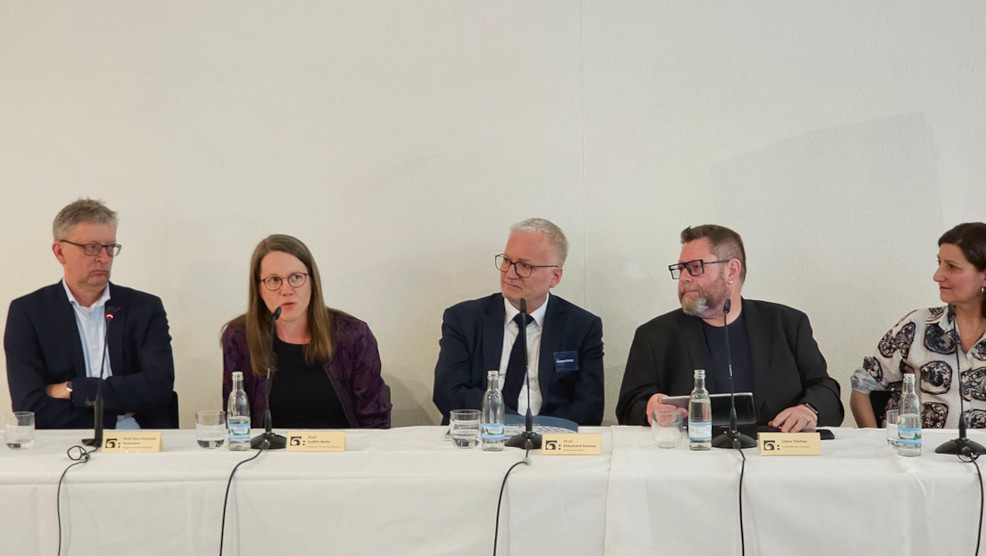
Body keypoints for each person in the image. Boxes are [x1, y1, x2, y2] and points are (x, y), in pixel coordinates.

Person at [616, 224, 843, 432]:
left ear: (732, 270)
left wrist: (809, 409)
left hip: (775, 458)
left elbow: (826, 390)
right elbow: (628, 409)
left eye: (695, 267)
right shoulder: (655, 335)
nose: (684, 278)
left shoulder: (788, 324)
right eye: (681, 269)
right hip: (691, 460)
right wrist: (650, 409)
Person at [4, 199, 175, 429]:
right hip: (62, 443)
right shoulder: (28, 313)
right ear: (59, 251)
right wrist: (114, 415)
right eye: (91, 247)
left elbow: (159, 388)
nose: (103, 258)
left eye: (109, 247)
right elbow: (30, 406)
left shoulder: (144, 308)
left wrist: (73, 389)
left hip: (139, 439)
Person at [432, 218, 604, 426]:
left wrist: (538, 430)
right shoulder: (463, 319)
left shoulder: (582, 327)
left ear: (555, 276)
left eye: (525, 266)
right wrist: (510, 424)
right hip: (480, 434)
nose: (510, 274)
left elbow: (590, 406)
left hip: (551, 441)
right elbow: (448, 391)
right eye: (506, 261)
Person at [221, 234, 391, 429]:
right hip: (268, 455)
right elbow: (234, 420)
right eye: (274, 280)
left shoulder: (352, 334)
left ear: (312, 281)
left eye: (296, 277)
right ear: (259, 288)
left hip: (342, 454)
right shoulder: (239, 337)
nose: (287, 290)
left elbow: (375, 422)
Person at [851, 222, 986, 429]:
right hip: (916, 455)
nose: (937, 276)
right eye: (939, 263)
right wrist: (874, 445)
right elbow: (863, 387)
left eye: (952, 266)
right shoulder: (917, 325)